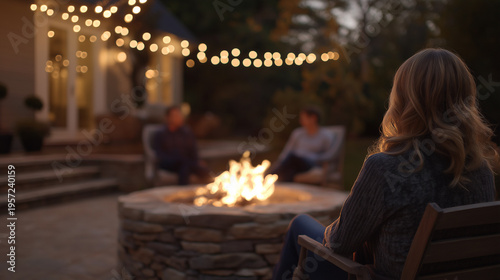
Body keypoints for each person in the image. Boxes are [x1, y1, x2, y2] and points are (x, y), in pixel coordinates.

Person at [273, 48, 498, 280]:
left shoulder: (385, 168)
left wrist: (339, 226)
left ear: (404, 100)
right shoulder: (482, 172)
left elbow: (339, 243)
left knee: (300, 225)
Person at [267, 106, 340, 182]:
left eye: (303, 118)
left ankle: (268, 175)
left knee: (292, 157)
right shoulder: (298, 133)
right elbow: (287, 150)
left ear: (313, 118)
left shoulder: (326, 136)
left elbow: (330, 154)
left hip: (311, 163)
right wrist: (279, 162)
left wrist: (316, 158)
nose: (300, 121)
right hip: (294, 163)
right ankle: (278, 185)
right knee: (290, 169)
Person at [152, 105, 212, 185]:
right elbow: (160, 154)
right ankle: (183, 190)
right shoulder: (161, 134)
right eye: (176, 115)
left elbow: (193, 150)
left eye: (180, 115)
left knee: (199, 168)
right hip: (169, 163)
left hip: (186, 162)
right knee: (185, 165)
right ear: (168, 117)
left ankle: (212, 185)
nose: (180, 117)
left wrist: (197, 160)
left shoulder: (186, 132)